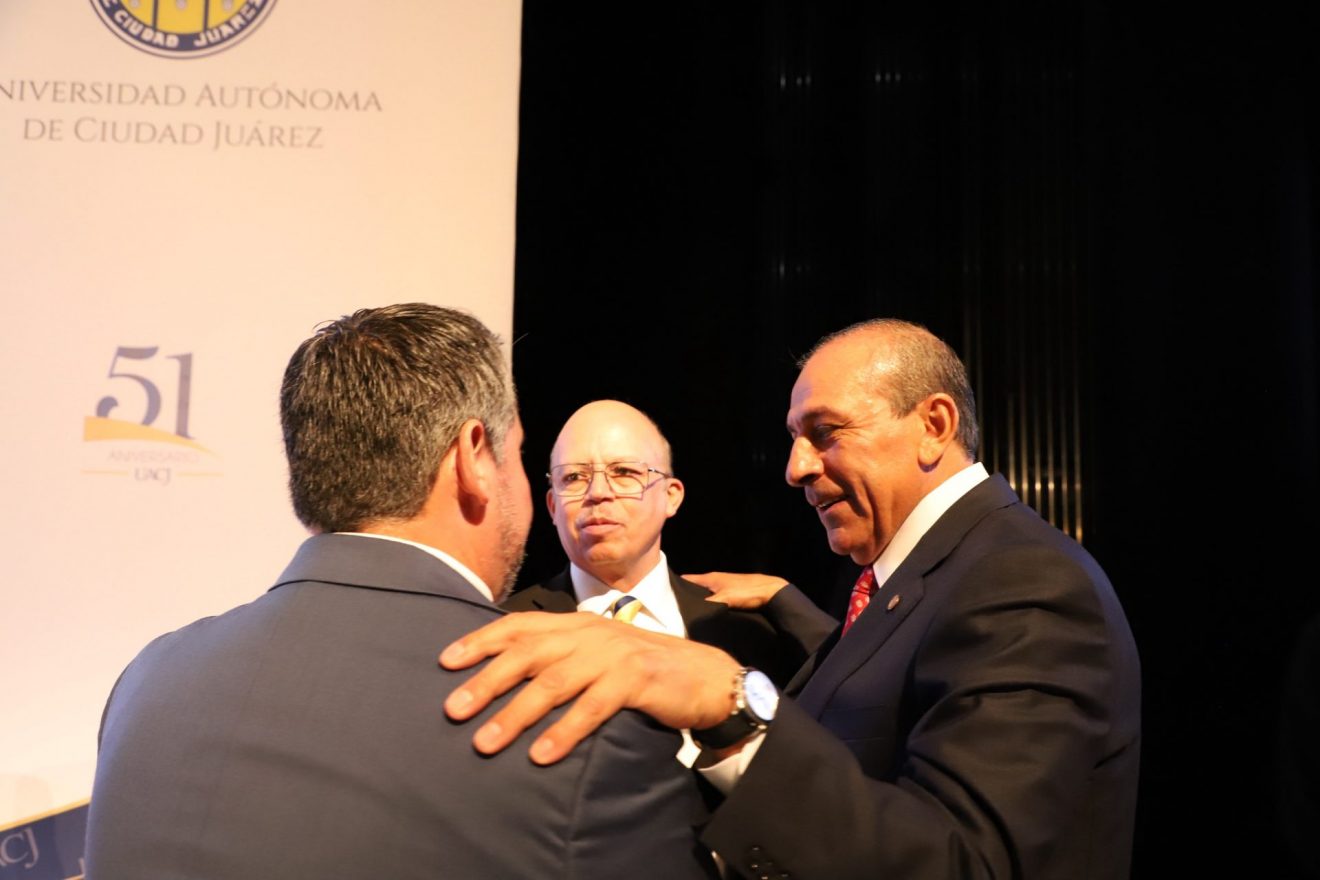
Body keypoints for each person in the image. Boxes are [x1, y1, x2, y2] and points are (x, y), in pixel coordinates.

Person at [440, 318, 1142, 880]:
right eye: (795, 439)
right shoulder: (908, 585)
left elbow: (964, 862)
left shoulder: (1022, 582)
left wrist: (731, 705)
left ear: (933, 426)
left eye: (825, 433)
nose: (796, 467)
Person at [84, 304, 720, 880]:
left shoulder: (147, 680)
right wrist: (738, 701)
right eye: (522, 458)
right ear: (474, 458)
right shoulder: (580, 722)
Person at [503, 399, 833, 688]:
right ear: (553, 507)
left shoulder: (747, 629)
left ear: (671, 496)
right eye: (574, 477)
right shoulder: (504, 627)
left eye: (623, 472)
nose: (598, 492)